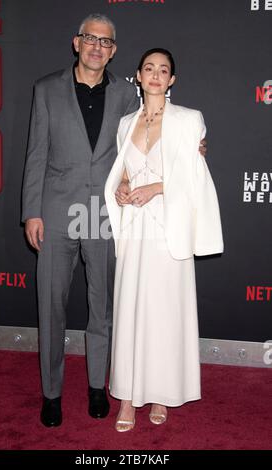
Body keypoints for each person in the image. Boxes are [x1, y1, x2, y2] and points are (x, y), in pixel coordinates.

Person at [22, 13, 206, 427]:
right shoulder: (47, 88)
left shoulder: (127, 95)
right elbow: (35, 154)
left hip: (106, 213)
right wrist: (31, 211)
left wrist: (196, 146)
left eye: (105, 42)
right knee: (50, 307)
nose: (96, 47)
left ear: (114, 50)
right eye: (90, 38)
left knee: (102, 306)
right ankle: (51, 394)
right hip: (55, 210)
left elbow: (157, 134)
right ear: (76, 42)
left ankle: (96, 388)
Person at [105, 48, 223, 432]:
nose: (156, 75)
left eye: (164, 70)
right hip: (136, 232)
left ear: (172, 80)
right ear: (138, 76)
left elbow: (196, 180)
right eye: (149, 69)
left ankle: (160, 394)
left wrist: (156, 187)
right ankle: (127, 397)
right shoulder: (125, 123)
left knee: (166, 315)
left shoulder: (190, 121)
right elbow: (122, 172)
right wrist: (123, 188)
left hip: (169, 231)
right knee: (131, 311)